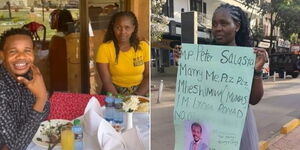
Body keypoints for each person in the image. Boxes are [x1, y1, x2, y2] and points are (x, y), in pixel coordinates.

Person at [174, 4, 267, 150]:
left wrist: (257, 70)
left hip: (236, 128)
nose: (217, 28)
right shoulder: (202, 57)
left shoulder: (248, 58)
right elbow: (194, 92)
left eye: (224, 23)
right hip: (208, 125)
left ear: (236, 26)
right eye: (214, 24)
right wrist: (184, 66)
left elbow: (254, 99)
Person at [0, 28, 50, 150]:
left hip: (27, 138)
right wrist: (41, 98)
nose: (21, 56)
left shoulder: (30, 74)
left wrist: (41, 99)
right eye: (13, 51)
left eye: (27, 51)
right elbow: (15, 146)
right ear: (2, 55)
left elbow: (46, 109)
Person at [96, 11, 149, 96]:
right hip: (113, 92)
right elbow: (106, 81)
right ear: (113, 28)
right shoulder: (105, 48)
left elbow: (148, 76)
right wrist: (119, 101)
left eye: (127, 28)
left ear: (133, 28)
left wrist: (136, 97)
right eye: (118, 27)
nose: (122, 32)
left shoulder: (143, 47)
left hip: (140, 91)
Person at [49, 9, 74, 92]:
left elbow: (51, 59)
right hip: (74, 75)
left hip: (59, 80)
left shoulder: (56, 39)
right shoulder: (76, 38)